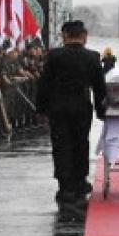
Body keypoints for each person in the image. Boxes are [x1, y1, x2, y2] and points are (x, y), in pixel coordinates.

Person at [36, 20, 106, 204]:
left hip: (58, 107)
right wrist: (101, 110)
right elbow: (99, 87)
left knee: (61, 146)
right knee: (80, 144)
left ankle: (65, 185)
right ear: (84, 36)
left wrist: (41, 109)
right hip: (81, 107)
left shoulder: (54, 56)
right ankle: (79, 180)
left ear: (64, 36)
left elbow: (44, 84)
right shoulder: (92, 57)